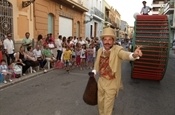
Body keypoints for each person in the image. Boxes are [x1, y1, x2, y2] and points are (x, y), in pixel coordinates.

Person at [92, 27, 143, 115]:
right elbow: (97, 63)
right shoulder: (100, 50)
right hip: (101, 82)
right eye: (105, 39)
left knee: (107, 107)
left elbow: (125, 55)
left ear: (113, 41)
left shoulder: (117, 50)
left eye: (109, 40)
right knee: (100, 104)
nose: (107, 42)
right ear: (103, 41)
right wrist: (94, 71)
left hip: (112, 83)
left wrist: (134, 55)